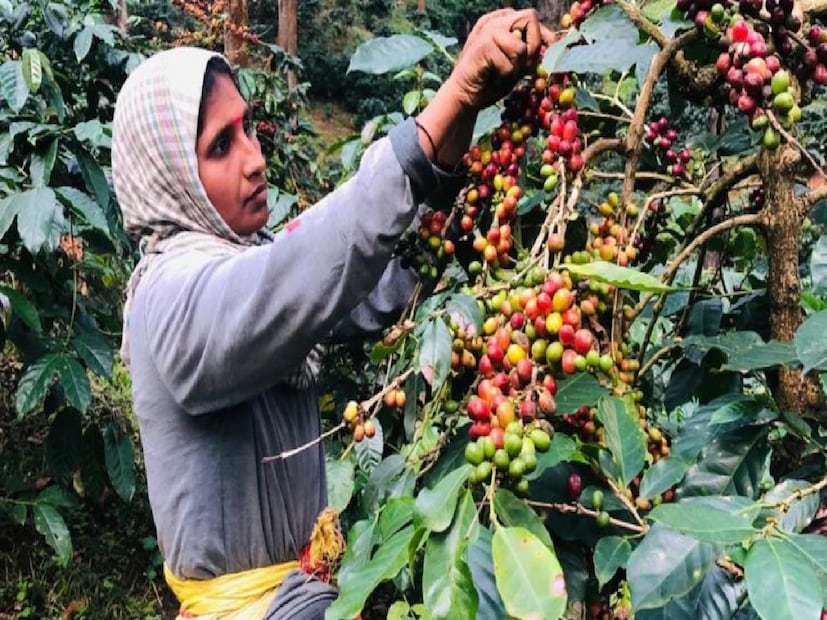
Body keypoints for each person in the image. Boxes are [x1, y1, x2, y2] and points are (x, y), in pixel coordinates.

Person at [111, 8, 552, 620]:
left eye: (247, 129)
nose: (253, 158)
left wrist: (468, 109)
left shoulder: (244, 262)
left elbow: (367, 284)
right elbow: (299, 275)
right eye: (219, 146)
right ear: (172, 179)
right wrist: (452, 93)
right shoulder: (171, 298)